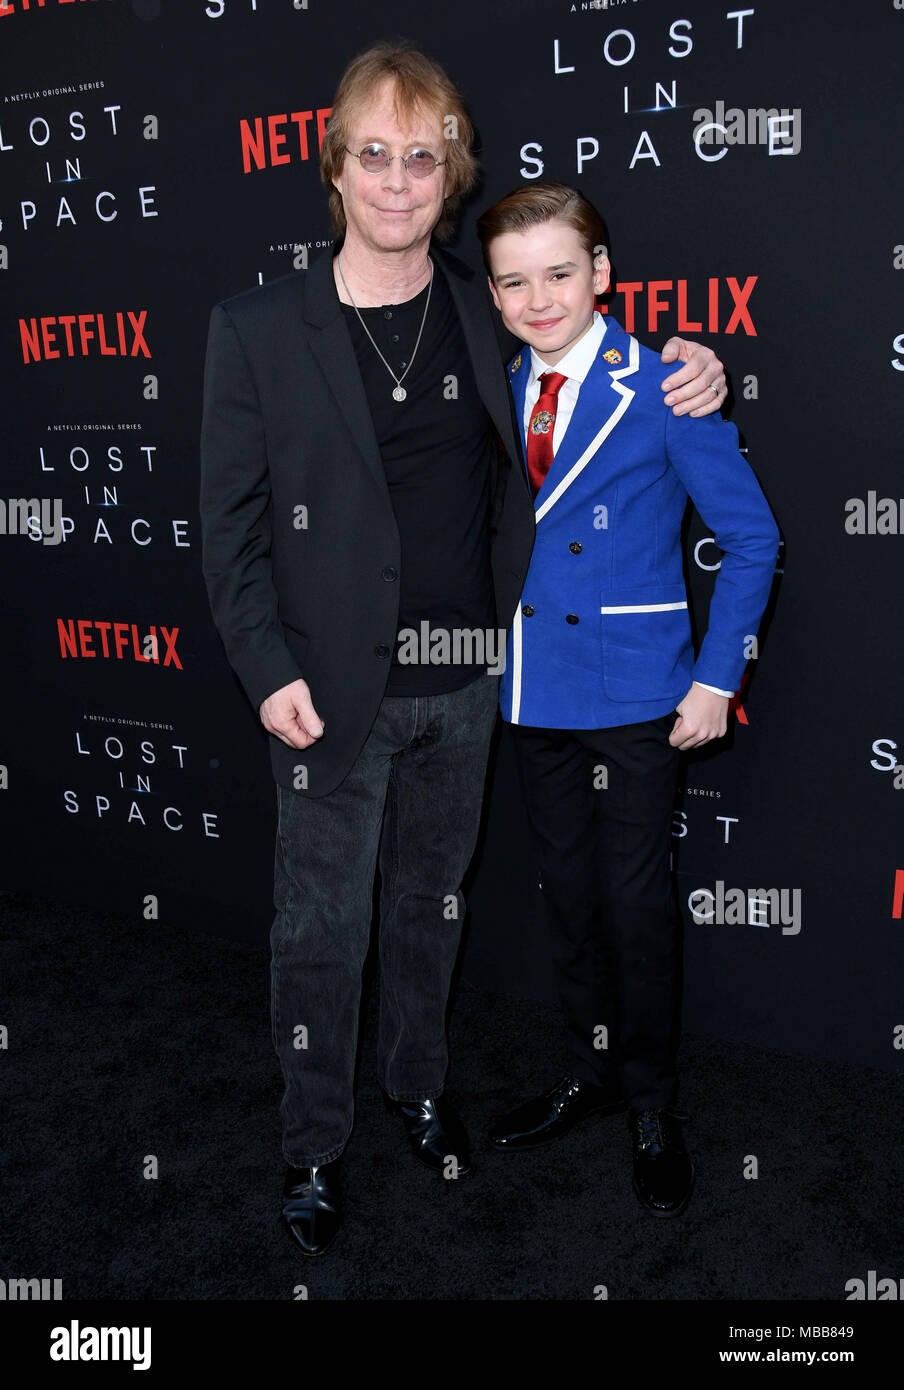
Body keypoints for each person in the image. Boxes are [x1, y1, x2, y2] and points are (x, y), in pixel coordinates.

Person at [199, 44, 727, 1257]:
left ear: (449, 175)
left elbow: (601, 358)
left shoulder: (487, 311)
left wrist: (702, 368)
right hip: (324, 695)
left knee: (429, 914)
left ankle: (417, 1086)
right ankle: (312, 1146)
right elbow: (227, 528)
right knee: (319, 934)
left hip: (473, 683)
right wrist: (267, 669)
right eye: (373, 156)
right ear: (335, 168)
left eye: (421, 159)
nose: (397, 182)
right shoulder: (258, 328)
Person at [476, 182, 779, 1217]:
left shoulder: (665, 385)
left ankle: (653, 1104)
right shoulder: (491, 384)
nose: (538, 296)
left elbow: (753, 541)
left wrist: (715, 676)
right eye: (514, 281)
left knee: (639, 907)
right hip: (533, 692)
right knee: (567, 901)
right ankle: (587, 1073)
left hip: (641, 691)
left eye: (559, 272)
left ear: (601, 274)